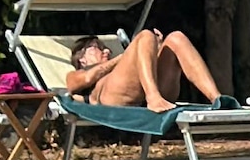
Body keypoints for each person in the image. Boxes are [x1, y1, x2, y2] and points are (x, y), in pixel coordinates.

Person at [62, 22, 225, 110]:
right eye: (97, 47)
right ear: (82, 59)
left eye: (105, 47)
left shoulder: (121, 68)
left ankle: (217, 99)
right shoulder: (75, 74)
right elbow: (87, 78)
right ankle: (153, 97)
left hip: (149, 91)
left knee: (176, 38)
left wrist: (156, 50)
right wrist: (124, 56)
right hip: (113, 99)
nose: (106, 50)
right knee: (146, 36)